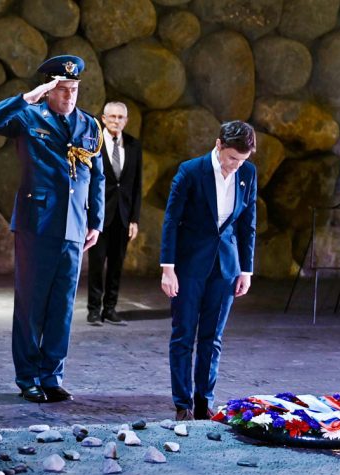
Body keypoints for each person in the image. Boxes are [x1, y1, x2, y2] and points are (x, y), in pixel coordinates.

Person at [0, 55, 105, 403]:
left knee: (62, 306)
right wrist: (28, 96)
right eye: (62, 89)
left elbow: (97, 176)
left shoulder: (89, 125)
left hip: (74, 225)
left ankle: (52, 375)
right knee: (31, 305)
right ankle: (28, 377)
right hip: (38, 223)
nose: (69, 95)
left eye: (74, 89)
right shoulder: (29, 115)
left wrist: (96, 221)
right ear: (49, 89)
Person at [160, 121, 257, 421]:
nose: (236, 165)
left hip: (226, 267)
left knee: (212, 338)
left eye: (242, 160)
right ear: (218, 145)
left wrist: (246, 270)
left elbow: (248, 224)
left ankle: (204, 402)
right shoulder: (190, 171)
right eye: (232, 158)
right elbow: (171, 220)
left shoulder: (248, 173)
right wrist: (168, 268)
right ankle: (183, 404)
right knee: (184, 335)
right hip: (189, 266)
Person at [87, 101, 143, 326]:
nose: (116, 121)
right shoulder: (93, 144)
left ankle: (110, 309)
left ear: (126, 121)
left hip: (123, 215)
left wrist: (134, 219)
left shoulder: (134, 145)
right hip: (99, 216)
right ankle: (93, 310)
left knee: (117, 264)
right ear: (103, 119)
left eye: (120, 117)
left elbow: (136, 185)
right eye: (112, 116)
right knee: (96, 263)